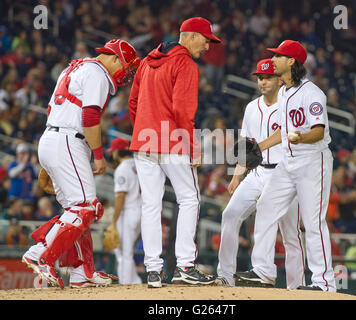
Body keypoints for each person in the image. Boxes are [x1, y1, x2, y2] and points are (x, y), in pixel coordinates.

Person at [22, 39, 140, 288]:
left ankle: (81, 271)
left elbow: (52, 109)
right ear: (116, 58)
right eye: (126, 66)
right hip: (68, 139)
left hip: (54, 138)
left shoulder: (74, 67)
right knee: (85, 208)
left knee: (79, 210)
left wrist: (52, 160)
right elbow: (90, 115)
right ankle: (41, 255)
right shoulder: (98, 72)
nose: (124, 73)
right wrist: (98, 154)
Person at [235, 40, 336, 292]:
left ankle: (324, 283)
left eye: (279, 56)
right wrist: (260, 147)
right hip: (288, 162)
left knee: (313, 223)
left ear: (291, 62)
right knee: (266, 207)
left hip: (313, 160)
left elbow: (318, 131)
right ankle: (263, 271)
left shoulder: (312, 93)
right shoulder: (283, 92)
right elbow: (282, 131)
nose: (274, 59)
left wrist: (300, 137)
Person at [128, 17, 221, 288]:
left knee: (151, 204)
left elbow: (133, 102)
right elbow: (183, 109)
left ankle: (153, 270)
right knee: (189, 199)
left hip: (144, 142)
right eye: (205, 40)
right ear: (190, 36)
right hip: (172, 143)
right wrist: (191, 145)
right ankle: (184, 266)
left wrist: (145, 128)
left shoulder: (146, 61)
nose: (207, 47)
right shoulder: (185, 63)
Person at [216, 59, 305, 288]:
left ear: (278, 79)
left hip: (285, 174)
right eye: (259, 78)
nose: (262, 81)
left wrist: (259, 148)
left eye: (267, 77)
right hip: (258, 173)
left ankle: (297, 288)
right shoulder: (251, 107)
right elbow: (247, 146)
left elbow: (289, 134)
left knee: (290, 235)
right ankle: (225, 276)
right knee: (230, 214)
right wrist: (237, 175)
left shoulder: (289, 104)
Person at [106, 137, 142, 284]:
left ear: (116, 152)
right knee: (123, 250)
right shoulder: (138, 164)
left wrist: (113, 221)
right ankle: (135, 281)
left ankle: (126, 284)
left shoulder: (121, 169)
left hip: (129, 211)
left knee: (124, 251)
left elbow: (120, 196)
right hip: (142, 209)